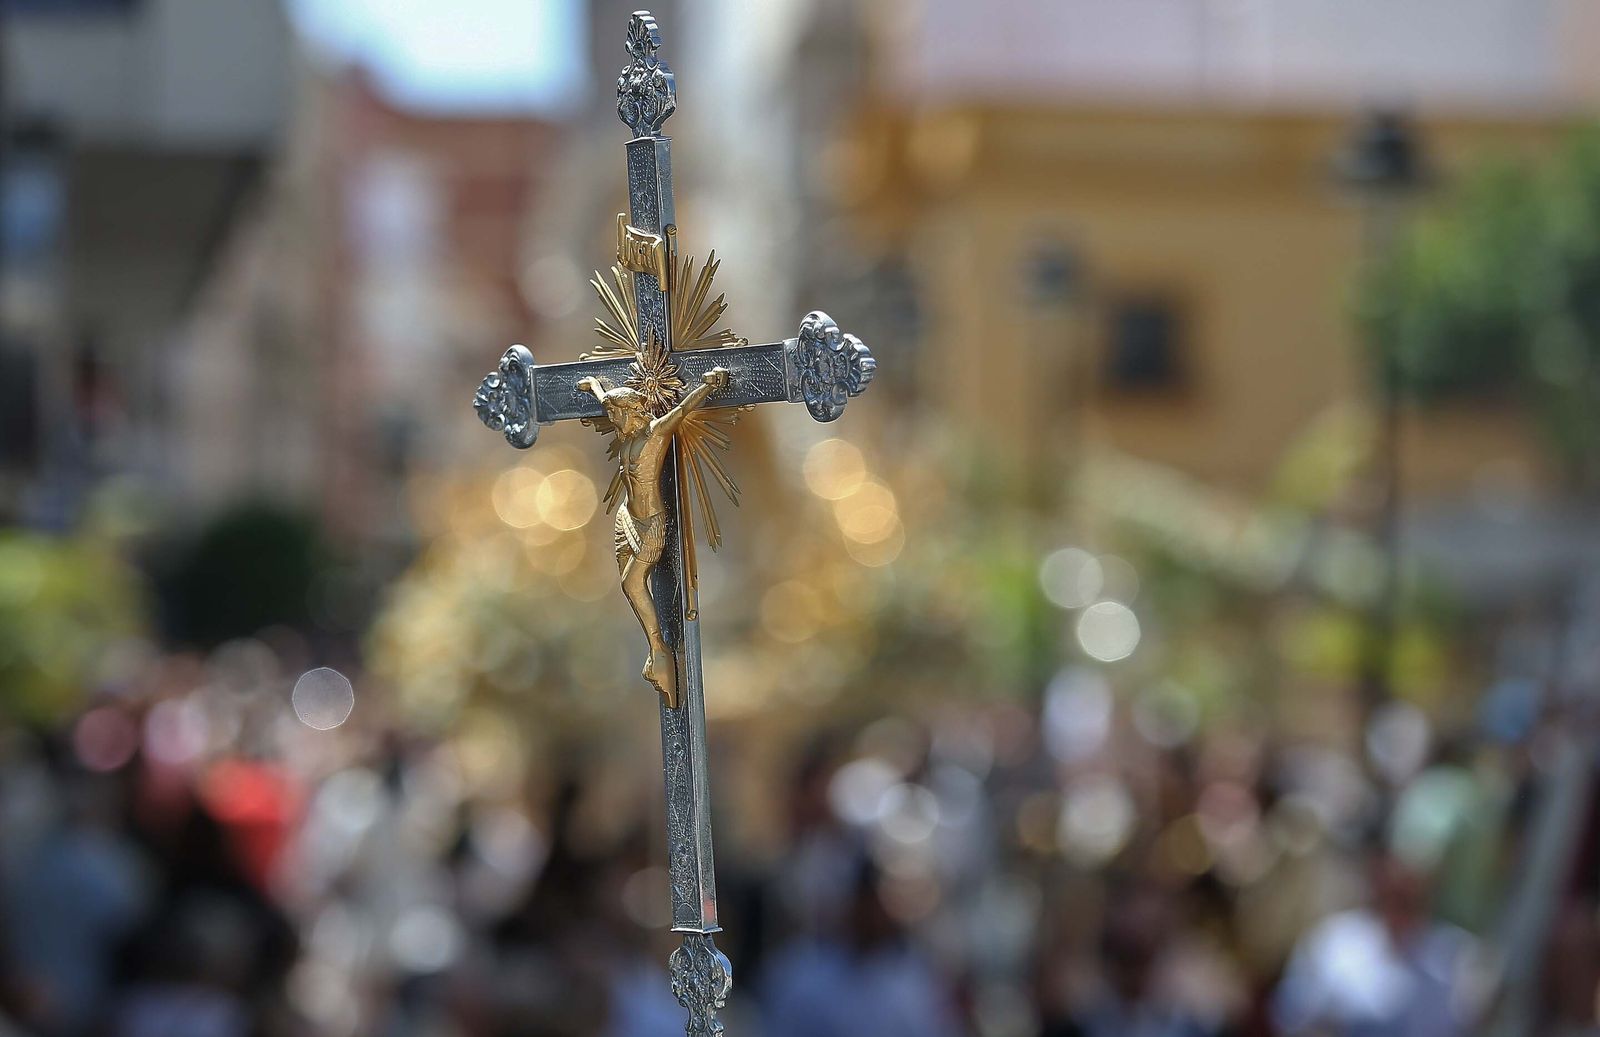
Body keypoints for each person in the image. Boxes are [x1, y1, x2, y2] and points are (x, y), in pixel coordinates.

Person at [1273, 852, 1483, 1037]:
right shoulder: (1333, 945)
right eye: (1395, 896)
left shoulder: (1454, 958)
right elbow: (1296, 1018)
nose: (1402, 908)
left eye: (1412, 899)